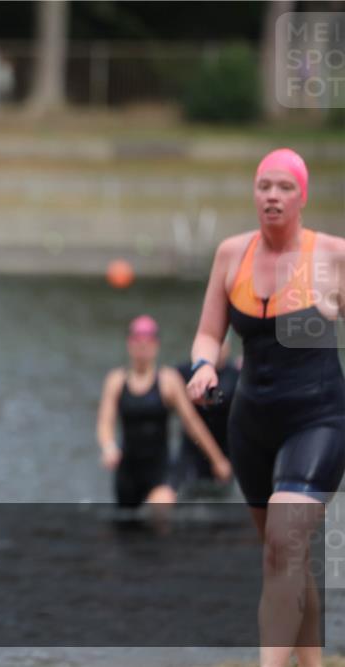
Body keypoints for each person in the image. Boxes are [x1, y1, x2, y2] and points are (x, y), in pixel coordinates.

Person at [186, 148, 345, 667]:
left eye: (285, 187)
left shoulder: (333, 256)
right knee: (284, 555)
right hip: (251, 425)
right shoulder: (232, 254)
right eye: (264, 186)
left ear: (303, 196)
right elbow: (208, 333)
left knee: (283, 541)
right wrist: (204, 366)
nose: (273, 196)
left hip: (318, 420)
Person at [97, 315, 232, 508]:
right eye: (137, 342)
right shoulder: (116, 381)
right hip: (127, 471)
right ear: (129, 344)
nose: (142, 348)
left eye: (147, 343)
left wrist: (217, 460)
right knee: (127, 524)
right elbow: (105, 422)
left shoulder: (168, 380)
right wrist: (108, 447)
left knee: (160, 510)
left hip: (160, 470)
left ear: (156, 345)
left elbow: (192, 423)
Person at [170, 336, 240, 497]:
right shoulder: (182, 374)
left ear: (228, 347)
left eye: (222, 344)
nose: (218, 350)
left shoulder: (236, 375)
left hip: (227, 452)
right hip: (192, 453)